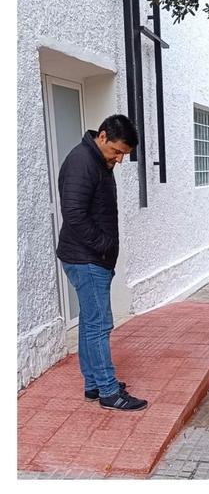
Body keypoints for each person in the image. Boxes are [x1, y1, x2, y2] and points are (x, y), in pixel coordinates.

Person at [57, 114, 146, 411]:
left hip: (91, 257)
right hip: (87, 259)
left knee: (90, 322)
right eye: (117, 151)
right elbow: (74, 214)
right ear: (103, 136)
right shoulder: (82, 162)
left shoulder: (97, 160)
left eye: (124, 155)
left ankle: (93, 385)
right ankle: (109, 392)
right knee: (100, 324)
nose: (120, 160)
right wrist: (104, 246)